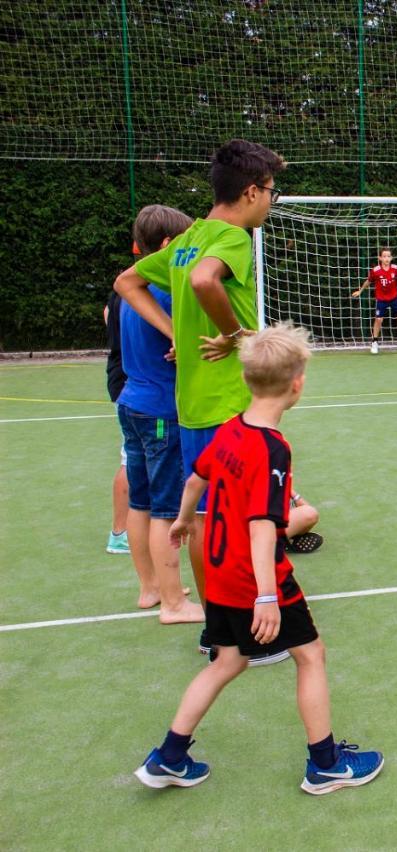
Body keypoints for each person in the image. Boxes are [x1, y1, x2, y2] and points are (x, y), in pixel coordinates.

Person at [134, 323, 383, 794]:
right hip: (254, 581)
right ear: (297, 384)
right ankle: (326, 764)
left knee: (227, 661)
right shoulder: (273, 449)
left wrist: (185, 521)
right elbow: (263, 526)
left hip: (221, 578)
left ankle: (168, 756)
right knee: (310, 655)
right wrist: (267, 595)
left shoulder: (230, 429)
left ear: (247, 380)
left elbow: (194, 481)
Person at [114, 139, 312, 663]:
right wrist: (237, 335)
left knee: (204, 519)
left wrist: (173, 328)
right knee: (249, 519)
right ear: (251, 191)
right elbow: (205, 281)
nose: (273, 201)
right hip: (231, 404)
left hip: (191, 404)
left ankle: (217, 630)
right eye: (272, 191)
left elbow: (126, 282)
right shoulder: (230, 238)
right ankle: (248, 628)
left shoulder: (187, 238)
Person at [117, 204, 205, 623]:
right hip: (159, 411)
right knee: (167, 508)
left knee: (140, 502)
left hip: (132, 403)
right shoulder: (169, 291)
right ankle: (173, 603)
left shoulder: (133, 291)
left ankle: (151, 589)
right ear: (169, 246)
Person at [105, 290, 130, 555]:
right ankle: (119, 533)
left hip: (121, 377)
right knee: (132, 459)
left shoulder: (121, 286)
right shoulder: (141, 285)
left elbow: (106, 314)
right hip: (131, 382)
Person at [351, 248, 397, 353]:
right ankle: (374, 342)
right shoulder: (375, 271)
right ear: (380, 258)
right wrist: (360, 291)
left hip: (394, 298)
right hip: (381, 299)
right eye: (384, 256)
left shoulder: (395, 269)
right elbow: (368, 281)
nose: (386, 258)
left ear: (391, 258)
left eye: (388, 256)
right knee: (379, 320)